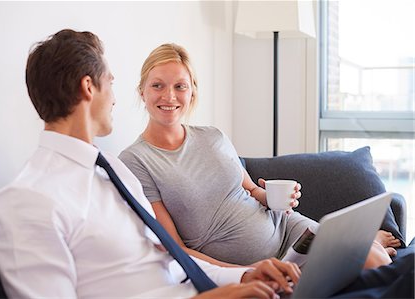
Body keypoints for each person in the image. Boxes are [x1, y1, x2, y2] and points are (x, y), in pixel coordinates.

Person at [0, 29, 304, 299]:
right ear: (88, 87)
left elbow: (170, 255)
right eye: (109, 83)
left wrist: (245, 277)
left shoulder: (113, 171)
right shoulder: (28, 201)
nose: (113, 98)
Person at [119, 43, 400, 269]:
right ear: (142, 92)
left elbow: (251, 189)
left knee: (378, 261)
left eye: (180, 86)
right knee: (370, 262)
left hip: (288, 228)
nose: (169, 96)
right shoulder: (136, 160)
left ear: (192, 93)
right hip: (249, 264)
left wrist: (270, 197)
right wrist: (245, 276)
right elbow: (175, 248)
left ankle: (366, 243)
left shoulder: (213, 136)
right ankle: (365, 243)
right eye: (158, 85)